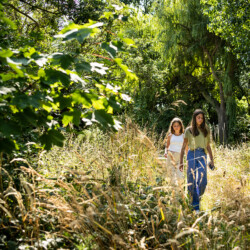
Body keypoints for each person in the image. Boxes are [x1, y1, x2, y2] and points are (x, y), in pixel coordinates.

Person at [179, 109, 214, 213]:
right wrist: (181, 161)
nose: (200, 119)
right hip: (191, 154)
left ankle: (197, 200)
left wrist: (212, 159)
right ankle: (195, 206)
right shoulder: (188, 130)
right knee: (191, 180)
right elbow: (183, 146)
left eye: (202, 118)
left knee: (203, 182)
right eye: (198, 117)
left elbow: (208, 145)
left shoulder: (206, 129)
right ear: (194, 118)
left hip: (202, 154)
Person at [164, 117, 188, 186]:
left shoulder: (184, 136)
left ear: (181, 126)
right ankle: (174, 192)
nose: (176, 127)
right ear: (172, 127)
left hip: (179, 157)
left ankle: (180, 189)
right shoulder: (170, 136)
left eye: (178, 126)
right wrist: (165, 152)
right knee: (171, 176)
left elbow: (186, 148)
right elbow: (167, 146)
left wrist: (187, 158)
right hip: (171, 156)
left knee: (180, 176)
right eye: (175, 126)